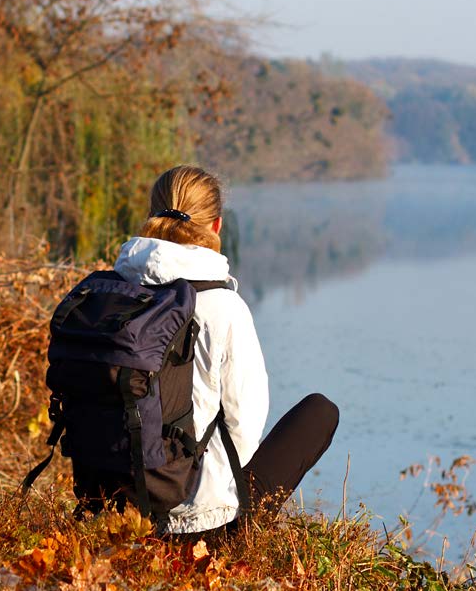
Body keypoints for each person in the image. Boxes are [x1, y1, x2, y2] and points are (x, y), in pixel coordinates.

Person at [112, 164, 339, 535]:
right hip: (201, 525)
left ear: (151, 217)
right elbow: (244, 428)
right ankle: (239, 534)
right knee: (320, 412)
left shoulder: (113, 294)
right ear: (216, 226)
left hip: (114, 503)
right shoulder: (222, 305)